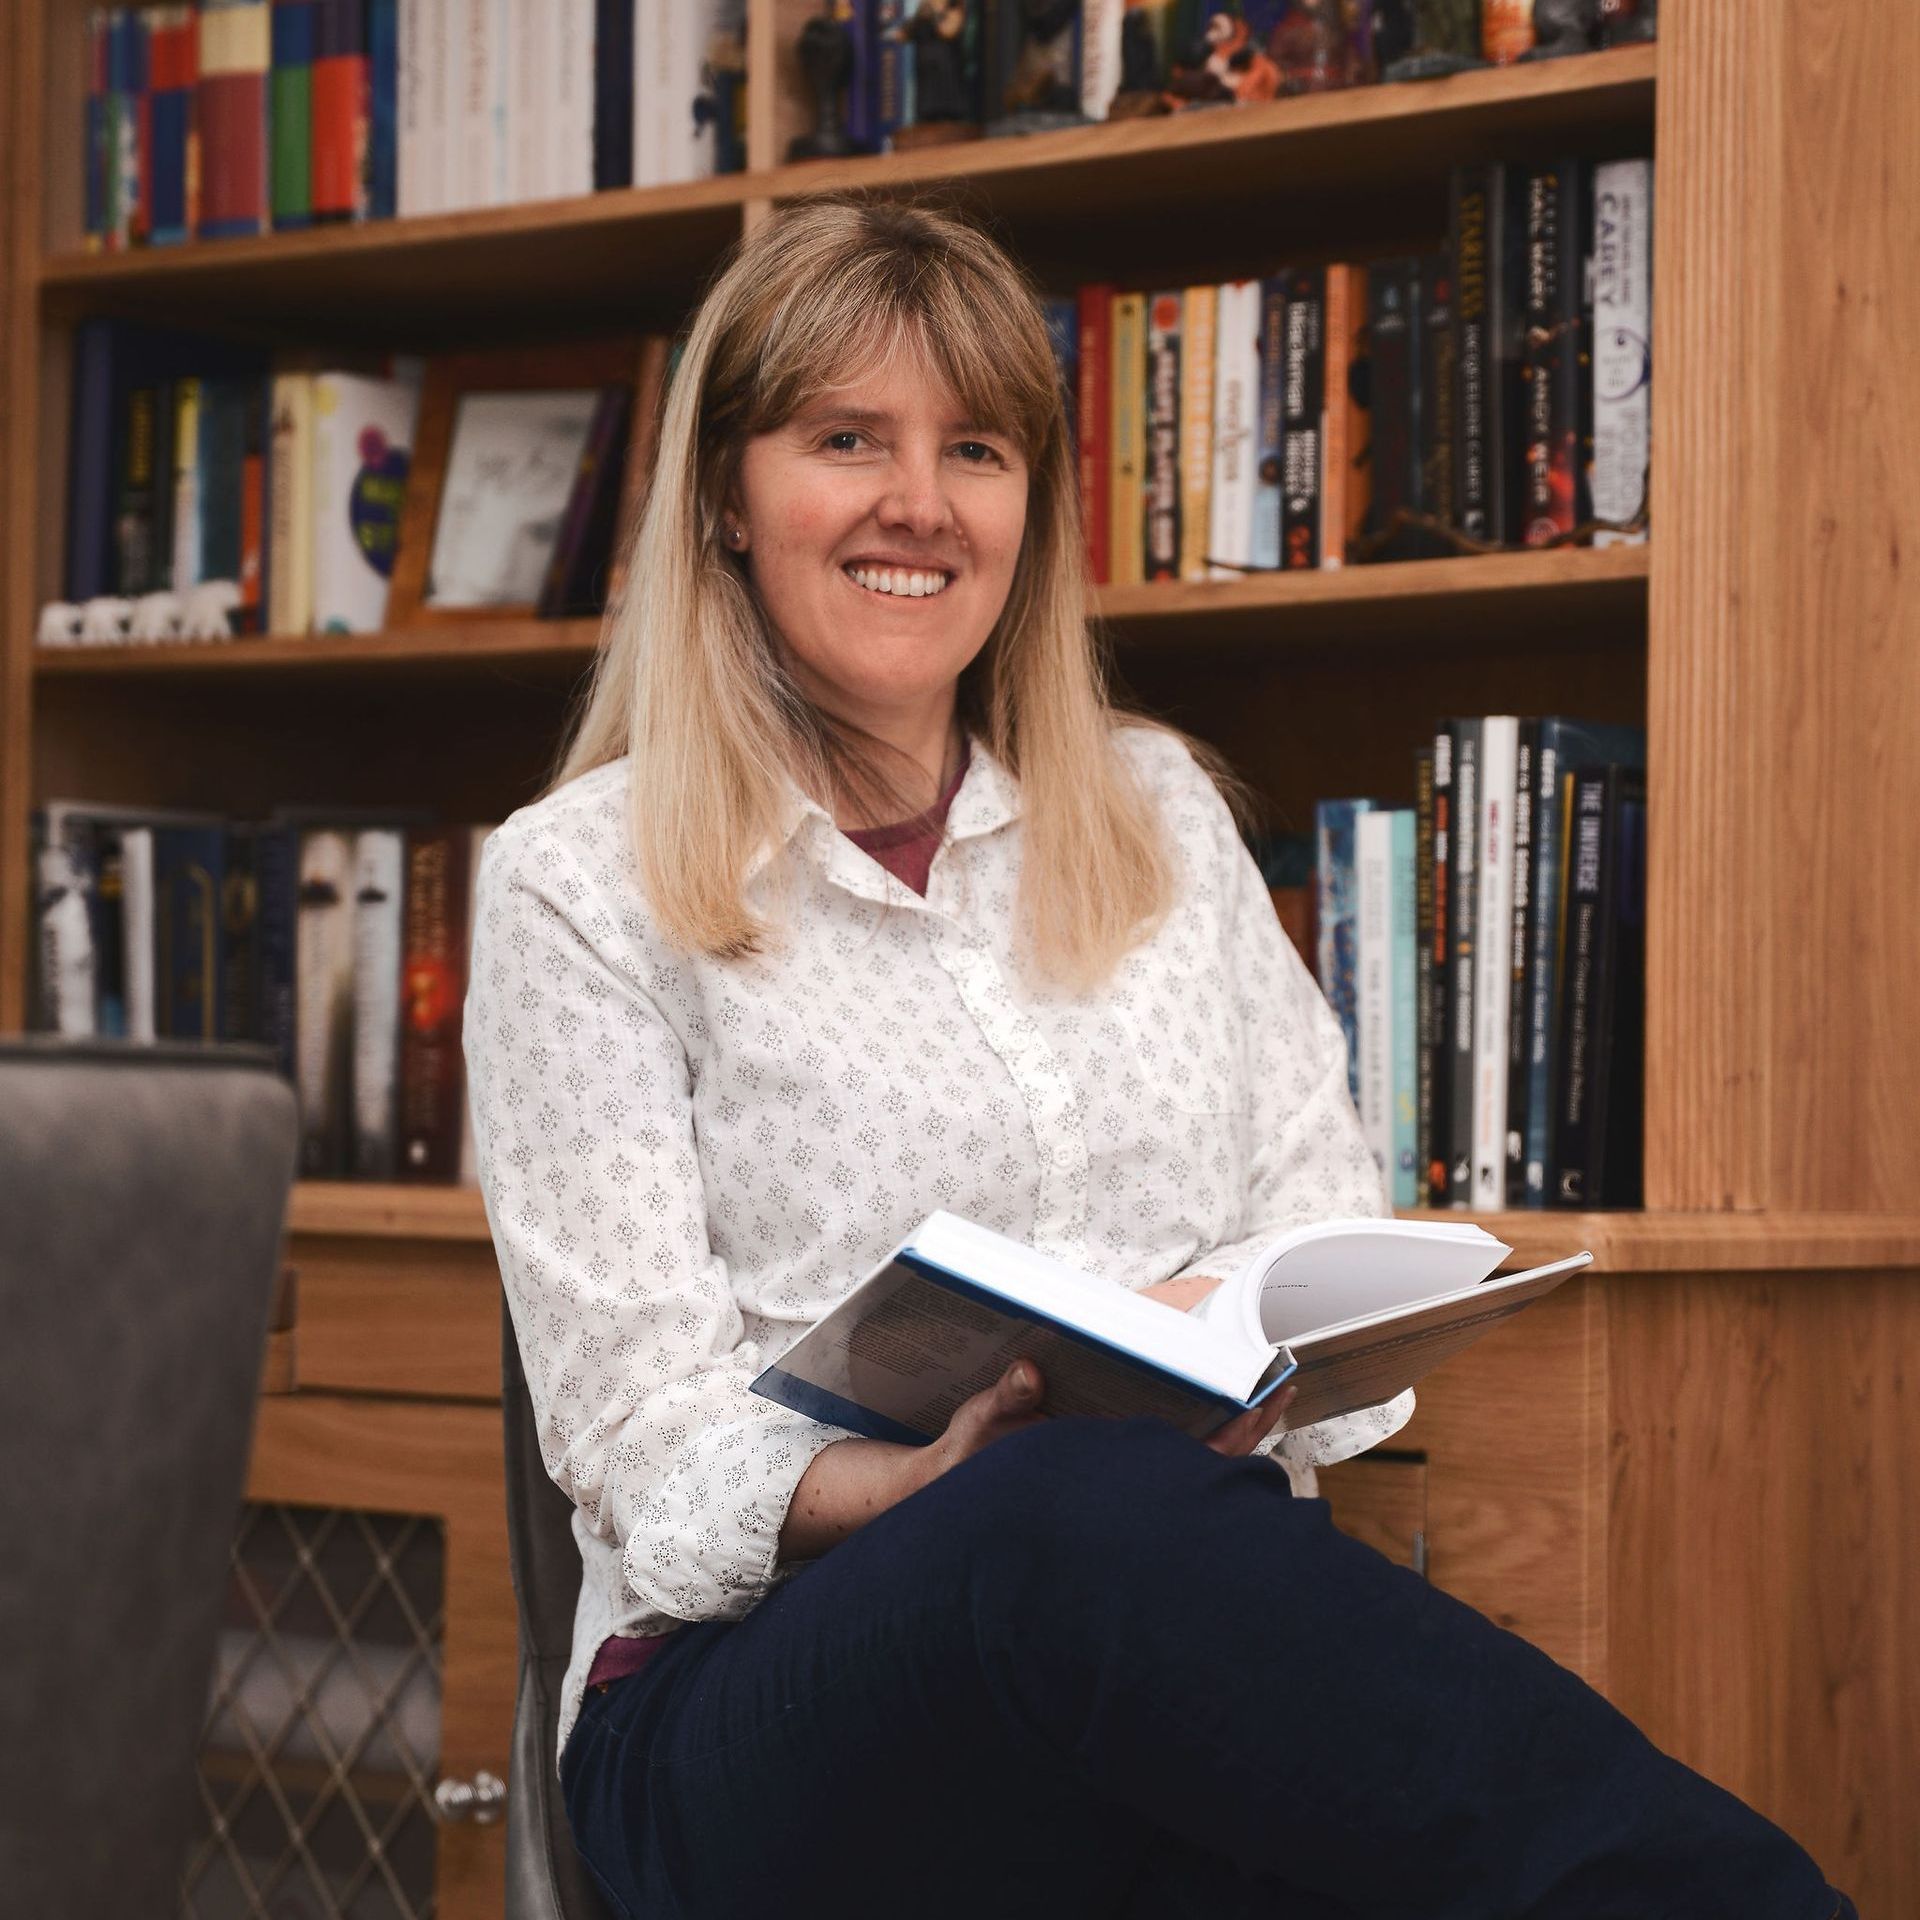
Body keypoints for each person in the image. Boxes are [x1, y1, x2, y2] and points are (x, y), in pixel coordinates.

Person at [462, 193, 1853, 1920]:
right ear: (731, 503)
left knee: (1151, 1620)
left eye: (975, 448)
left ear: (1028, 511)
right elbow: (639, 1441)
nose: (919, 502)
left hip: (1145, 1638)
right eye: (844, 439)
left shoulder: (1161, 817)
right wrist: (923, 1483)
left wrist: (1258, 1362)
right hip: (757, 1716)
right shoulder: (574, 884)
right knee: (1062, 1514)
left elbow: (1311, 1201)